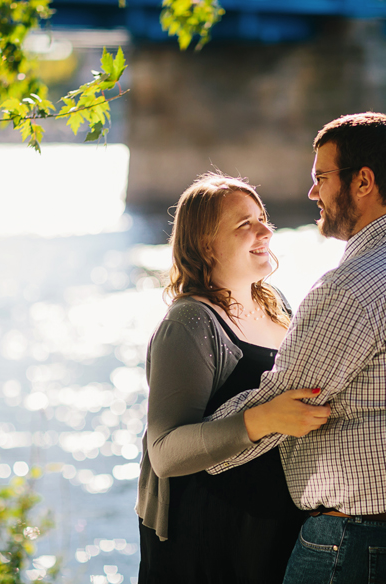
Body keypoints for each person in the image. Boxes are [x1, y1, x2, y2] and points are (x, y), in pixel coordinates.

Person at [206, 112, 386, 583]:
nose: (313, 192)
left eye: (321, 178)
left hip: (365, 540)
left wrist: (198, 444)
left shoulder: (352, 288)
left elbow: (285, 403)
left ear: (364, 182)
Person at [135, 174, 332, 584]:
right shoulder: (190, 322)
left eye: (262, 218)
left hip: (276, 526)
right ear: (205, 243)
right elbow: (165, 452)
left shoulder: (276, 305)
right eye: (246, 224)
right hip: (211, 539)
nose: (266, 230)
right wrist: (263, 419)